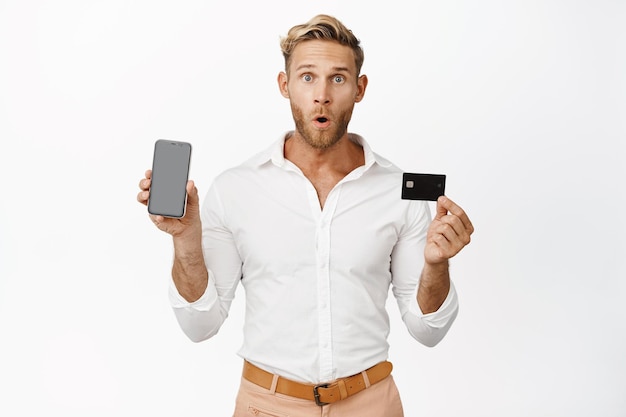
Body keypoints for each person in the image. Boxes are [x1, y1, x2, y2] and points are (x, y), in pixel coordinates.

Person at [137, 14, 473, 417]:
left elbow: (427, 330)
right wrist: (186, 237)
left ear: (360, 88)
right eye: (308, 77)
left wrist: (436, 265)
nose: (322, 96)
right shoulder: (236, 189)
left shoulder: (397, 191)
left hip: (371, 404)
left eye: (338, 78)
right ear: (285, 85)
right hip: (267, 405)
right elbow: (199, 325)